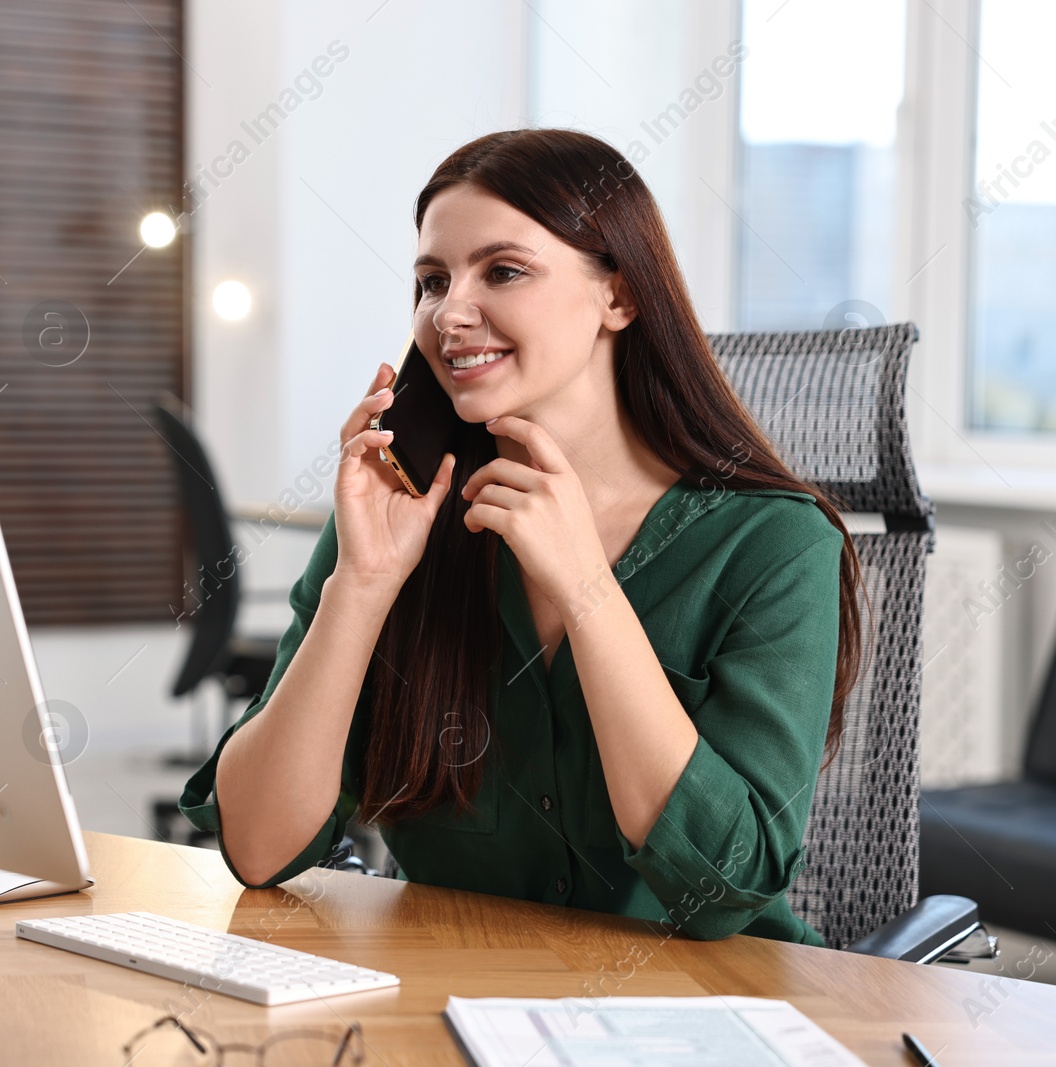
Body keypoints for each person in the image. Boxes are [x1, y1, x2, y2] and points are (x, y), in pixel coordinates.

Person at [178, 128, 862, 944]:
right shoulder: (399, 515)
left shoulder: (773, 544)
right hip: (459, 1005)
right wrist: (360, 587)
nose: (450, 313)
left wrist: (585, 590)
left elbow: (722, 891)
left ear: (620, 296)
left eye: (502, 270)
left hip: (710, 1018)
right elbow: (259, 847)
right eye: (432, 281)